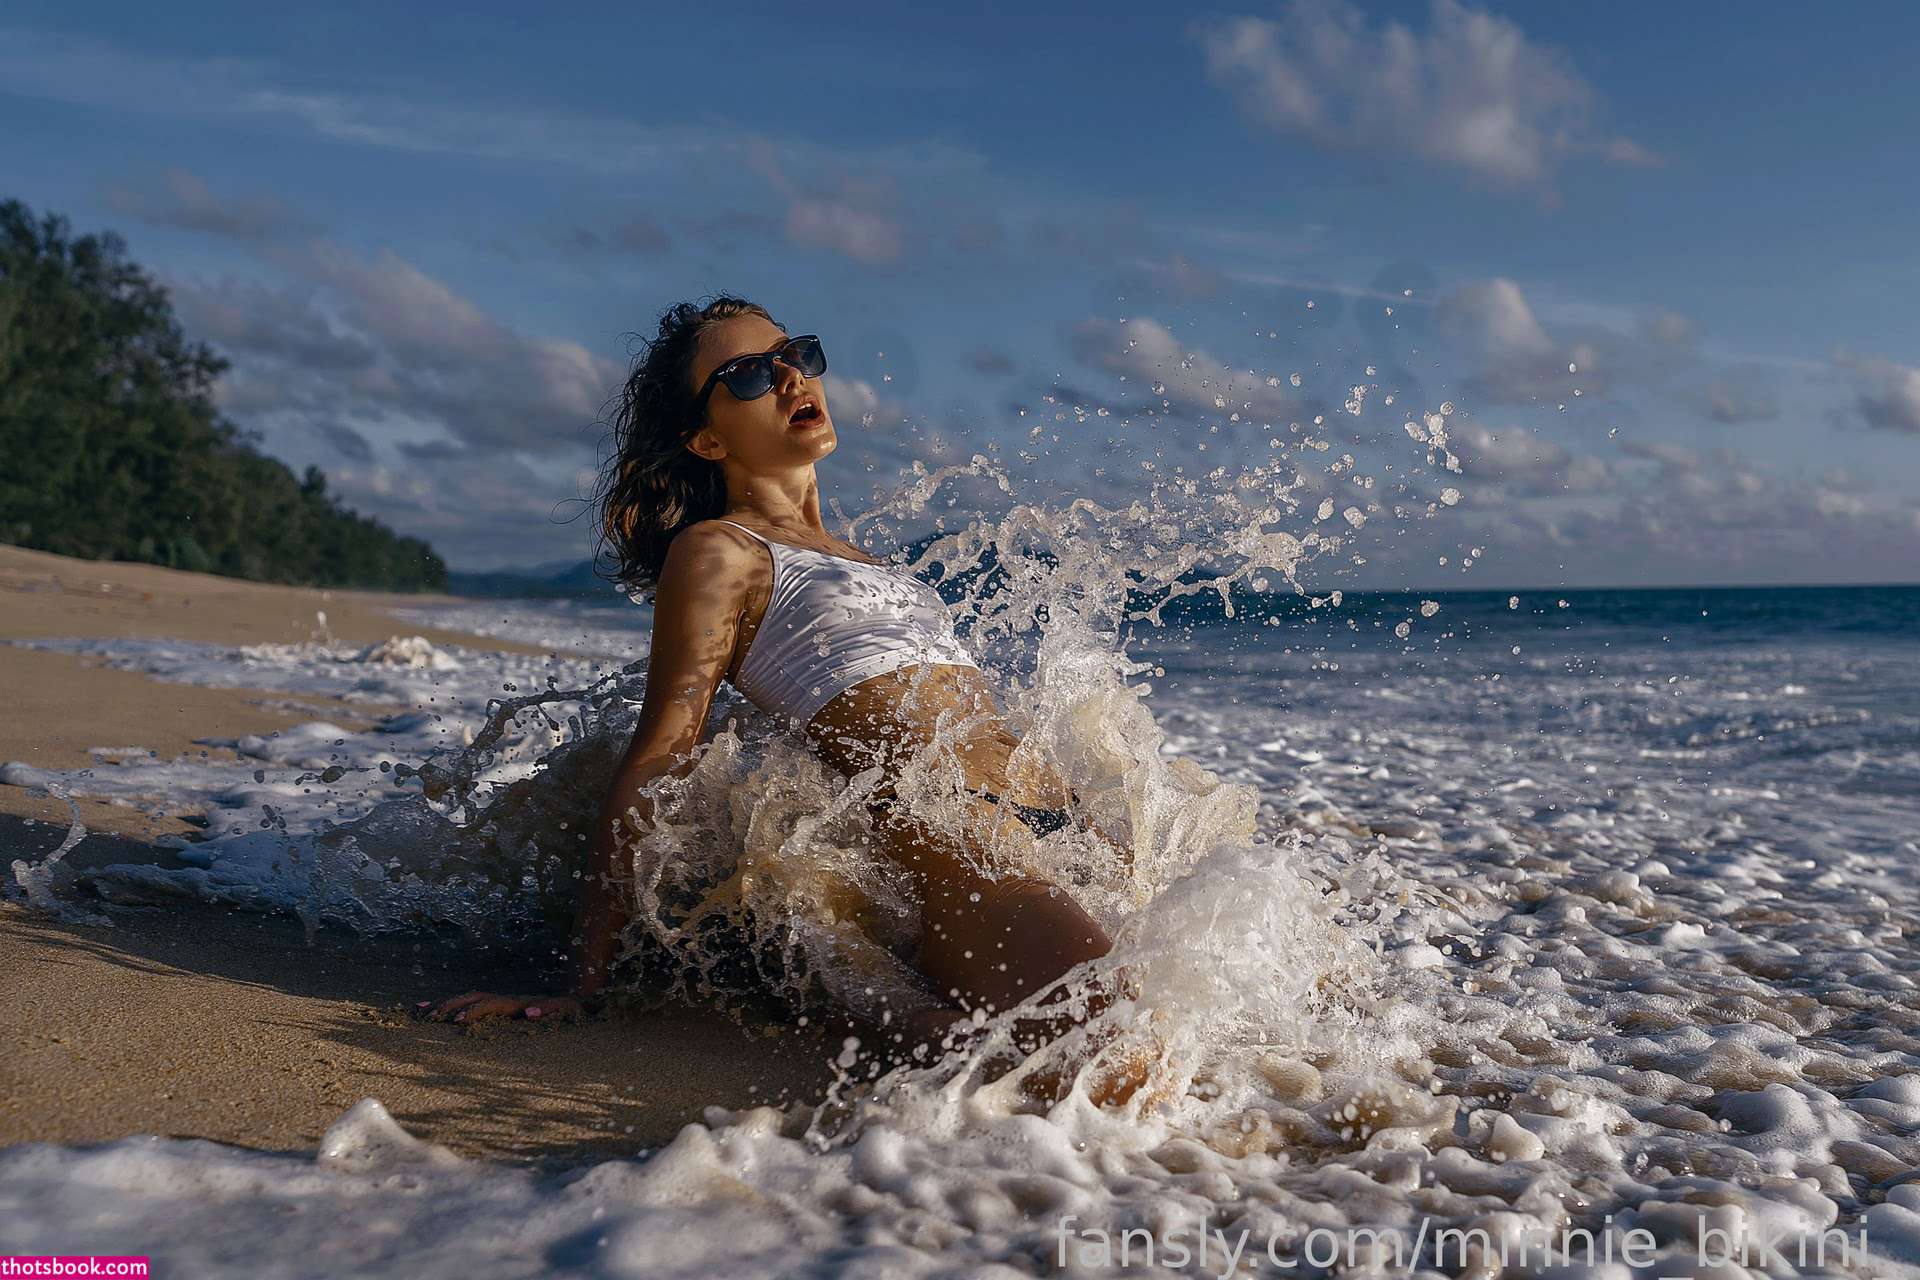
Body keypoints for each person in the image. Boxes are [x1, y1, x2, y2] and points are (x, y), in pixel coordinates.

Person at [430, 296, 1141, 1099]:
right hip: (961, 854)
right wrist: (581, 981)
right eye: (747, 375)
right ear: (705, 439)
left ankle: (904, 1025)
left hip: (1058, 841)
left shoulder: (869, 559)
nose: (789, 375)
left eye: (794, 354)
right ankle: (883, 1032)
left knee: (1253, 1027)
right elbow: (663, 752)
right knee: (1124, 1068)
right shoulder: (719, 553)